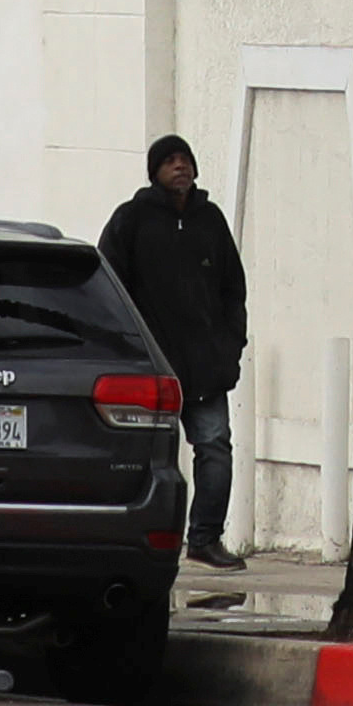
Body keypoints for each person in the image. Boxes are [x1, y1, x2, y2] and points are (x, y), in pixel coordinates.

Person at [97, 134, 249, 569]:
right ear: (155, 172)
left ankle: (205, 538)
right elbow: (108, 285)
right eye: (170, 161)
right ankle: (142, 539)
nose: (180, 167)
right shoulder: (131, 220)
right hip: (151, 371)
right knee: (141, 457)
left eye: (185, 160)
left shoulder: (211, 221)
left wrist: (230, 345)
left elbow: (233, 289)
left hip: (205, 368)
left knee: (215, 448)